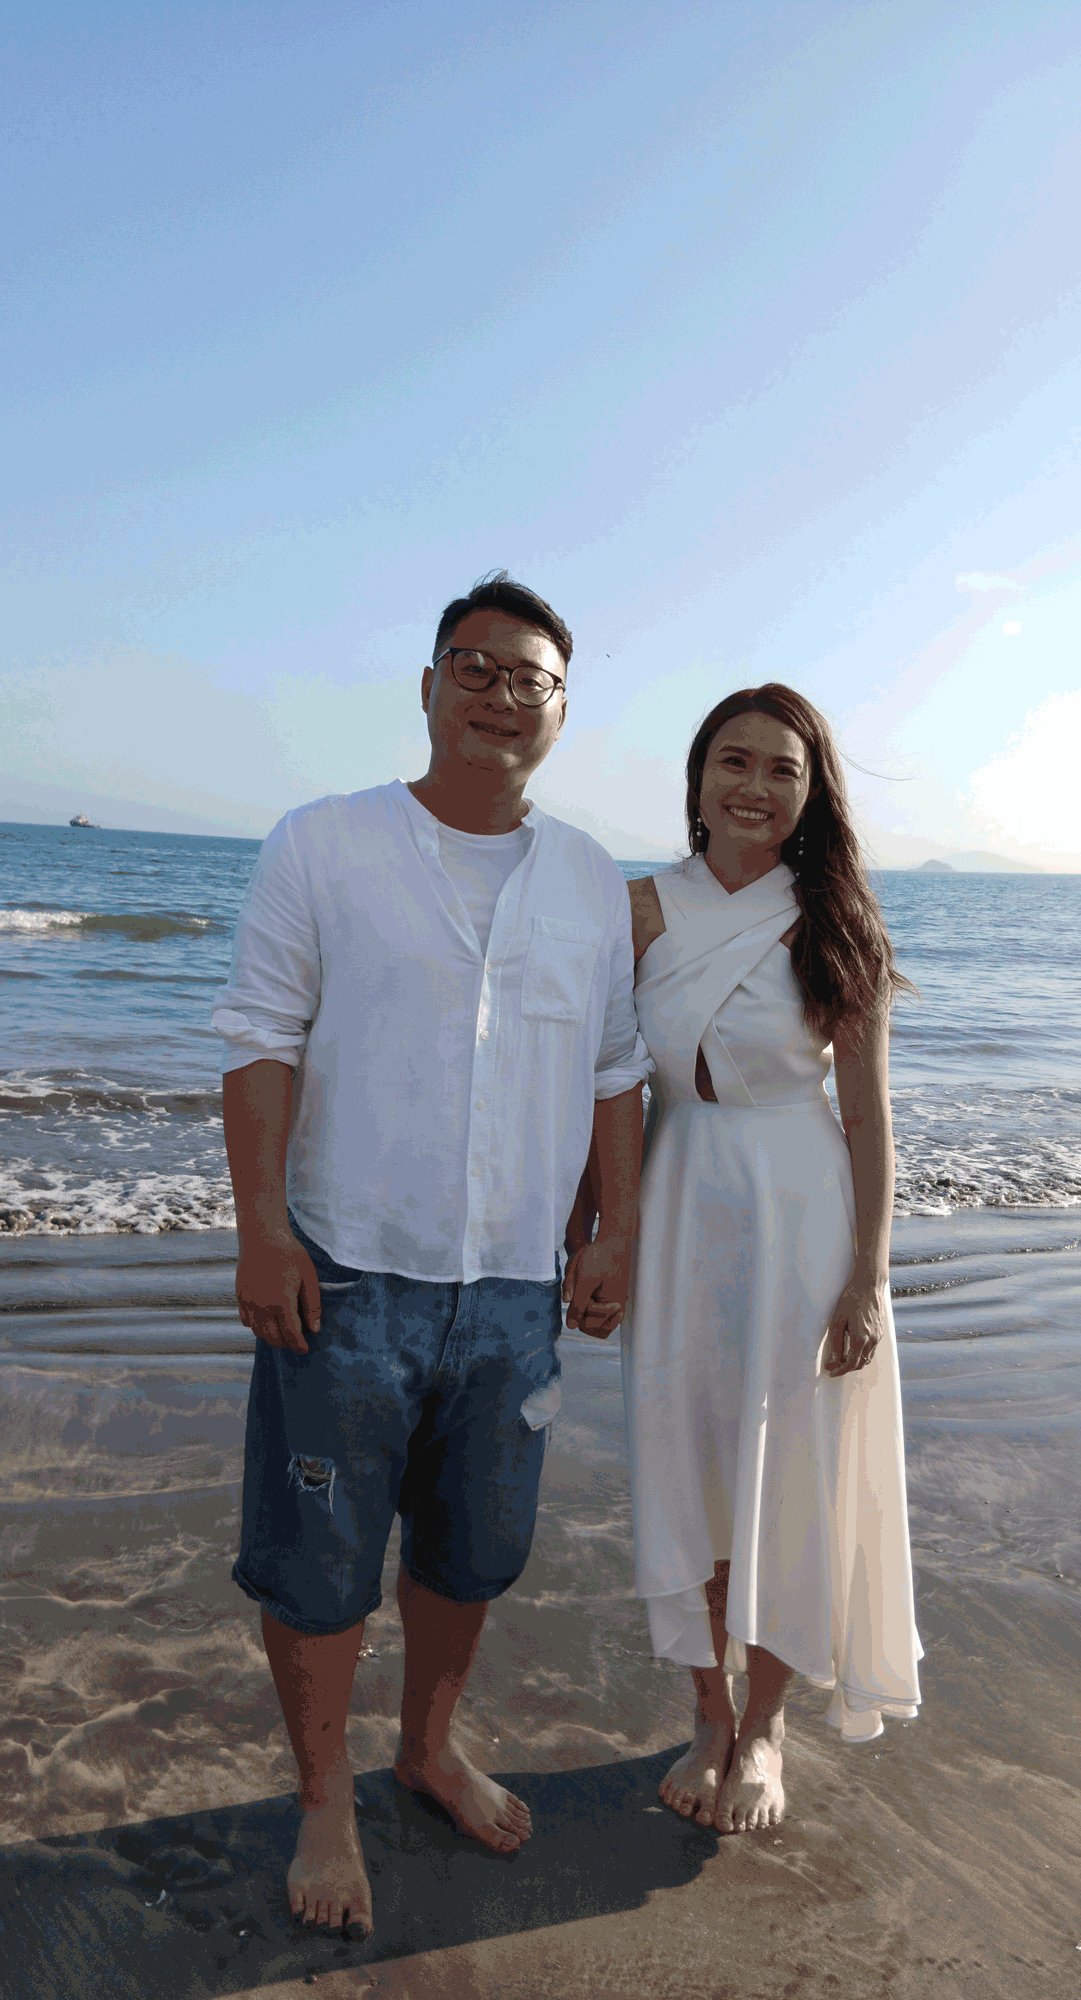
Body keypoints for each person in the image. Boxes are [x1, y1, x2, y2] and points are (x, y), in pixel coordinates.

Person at [211, 572, 648, 1939]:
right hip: (347, 1273)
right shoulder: (323, 844)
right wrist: (263, 1227)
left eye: (530, 677)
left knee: (473, 1555)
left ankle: (427, 1750)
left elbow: (617, 1071)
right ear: (427, 683)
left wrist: (614, 1227)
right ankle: (326, 1795)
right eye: (476, 665)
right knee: (319, 1559)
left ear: (563, 710)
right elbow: (260, 1038)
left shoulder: (586, 879)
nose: (501, 692)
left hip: (515, 1284)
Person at [611, 683, 922, 1834]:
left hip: (803, 1217)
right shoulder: (638, 906)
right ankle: (706, 1708)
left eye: (781, 769)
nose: (753, 785)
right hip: (679, 1197)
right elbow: (604, 1083)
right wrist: (598, 1232)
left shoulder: (833, 915)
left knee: (789, 1465)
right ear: (696, 780)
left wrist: (867, 1276)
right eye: (732, 762)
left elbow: (871, 1120)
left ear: (810, 791)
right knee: (687, 1453)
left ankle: (769, 1724)